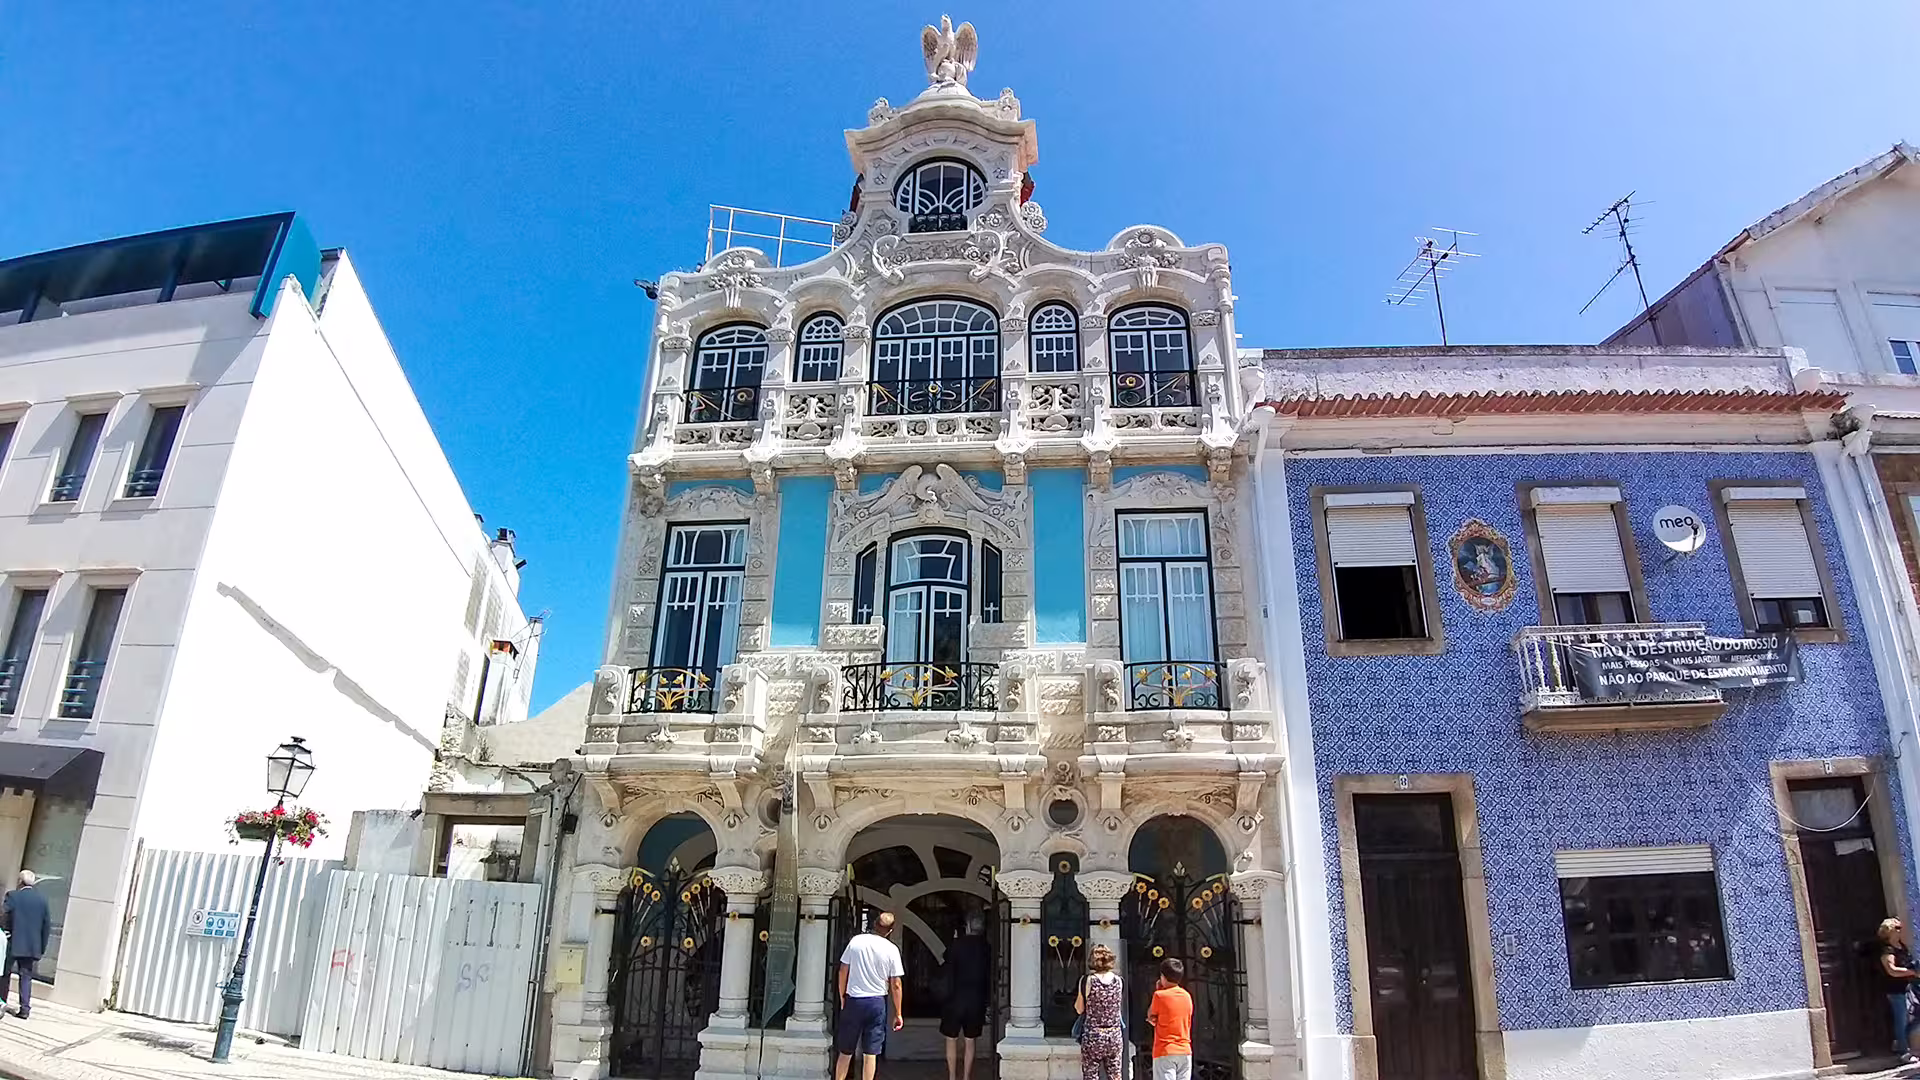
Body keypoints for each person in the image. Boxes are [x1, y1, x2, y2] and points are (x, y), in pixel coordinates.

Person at [835, 910, 905, 1080]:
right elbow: (896, 984)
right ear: (890, 931)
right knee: (871, 1052)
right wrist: (898, 1013)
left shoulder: (857, 942)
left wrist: (842, 995)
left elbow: (843, 970)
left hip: (855, 1000)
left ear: (874, 925)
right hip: (876, 1002)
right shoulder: (891, 949)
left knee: (845, 1051)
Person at [941, 912, 991, 1080]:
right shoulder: (986, 947)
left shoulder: (957, 945)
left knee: (951, 1039)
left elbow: (946, 960)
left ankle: (952, 1076)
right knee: (970, 1041)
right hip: (976, 1000)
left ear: (968, 926)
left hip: (955, 998)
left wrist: (955, 939)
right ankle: (966, 1077)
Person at [1, 871, 50, 1020]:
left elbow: (4, 914)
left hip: (12, 943)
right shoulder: (42, 900)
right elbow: (46, 926)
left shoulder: (13, 896)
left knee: (5, 974)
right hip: (31, 946)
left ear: (20, 882)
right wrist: (41, 948)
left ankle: (2, 1002)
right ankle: (25, 1009)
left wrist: (4, 931)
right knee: (26, 977)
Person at [1074, 944, 1126, 1080]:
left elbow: (1080, 1009)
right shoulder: (1119, 981)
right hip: (1114, 1035)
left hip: (1093, 1035)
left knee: (1091, 1074)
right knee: (1115, 1075)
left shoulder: (1087, 981)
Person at [1144, 957, 1193, 1080]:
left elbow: (1151, 1014)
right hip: (1185, 1050)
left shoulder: (1159, 995)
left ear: (1163, 977)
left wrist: (1159, 990)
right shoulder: (1187, 996)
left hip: (1165, 1050)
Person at [1880, 917, 1918, 1063]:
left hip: (1909, 988)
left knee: (1913, 1019)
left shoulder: (1902, 946)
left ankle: (1906, 1046)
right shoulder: (1888, 950)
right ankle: (1904, 1051)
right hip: (1896, 989)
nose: (1900, 929)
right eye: (1897, 927)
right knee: (1901, 1020)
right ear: (1889, 931)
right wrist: (1912, 972)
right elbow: (1892, 970)